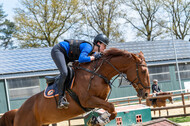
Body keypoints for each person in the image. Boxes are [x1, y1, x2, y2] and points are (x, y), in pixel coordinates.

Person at [51, 34, 109, 109]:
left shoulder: (93, 53)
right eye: (104, 46)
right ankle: (60, 100)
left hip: (68, 55)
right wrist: (93, 57)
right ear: (98, 43)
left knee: (71, 72)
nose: (105, 48)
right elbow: (82, 59)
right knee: (64, 73)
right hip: (59, 50)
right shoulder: (88, 47)